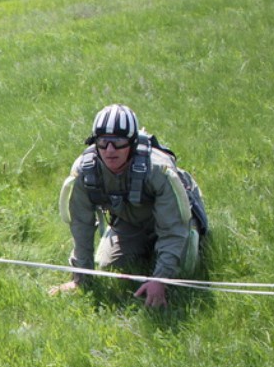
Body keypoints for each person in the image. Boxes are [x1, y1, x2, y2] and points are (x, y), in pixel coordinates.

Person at [51, 104, 205, 308]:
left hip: (173, 219)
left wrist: (160, 280)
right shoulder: (84, 172)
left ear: (132, 143)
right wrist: (80, 279)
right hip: (130, 222)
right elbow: (81, 225)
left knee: (183, 272)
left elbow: (173, 227)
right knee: (108, 265)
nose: (110, 150)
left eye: (118, 142)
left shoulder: (158, 171)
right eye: (103, 142)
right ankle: (148, 248)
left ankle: (182, 244)